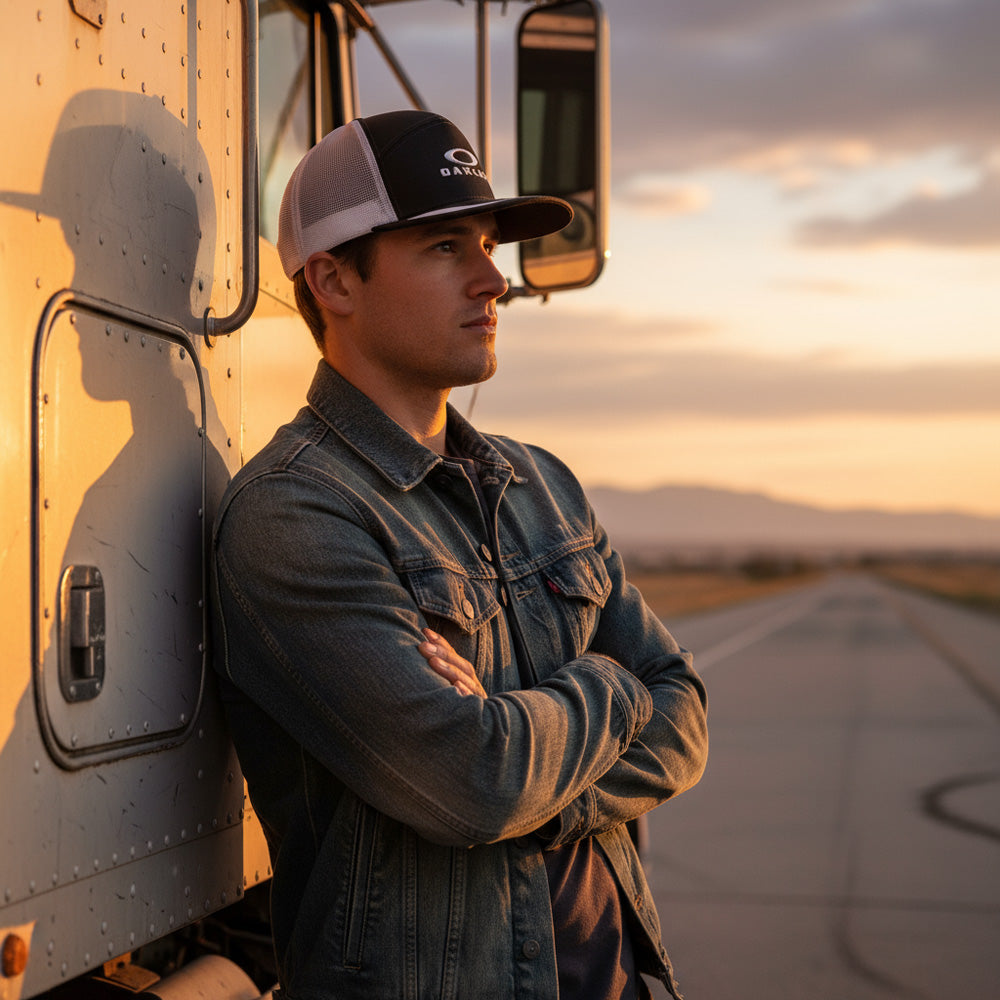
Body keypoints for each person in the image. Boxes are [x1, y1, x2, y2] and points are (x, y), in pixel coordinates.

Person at [210, 110, 708, 1000]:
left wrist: (530, 760)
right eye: (446, 248)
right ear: (334, 280)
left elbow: (687, 719)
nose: (494, 280)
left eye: (488, 245)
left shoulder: (542, 485)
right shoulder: (294, 514)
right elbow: (475, 783)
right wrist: (611, 683)